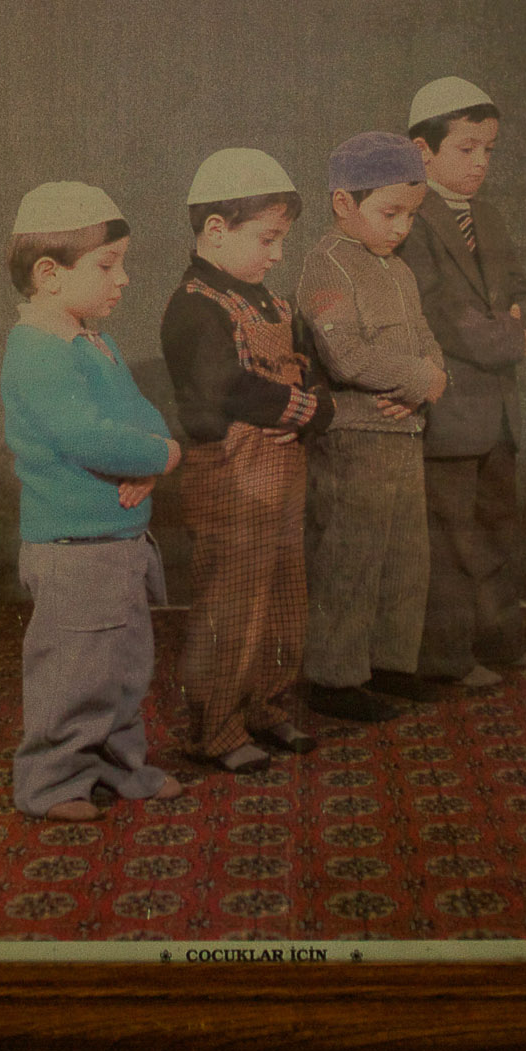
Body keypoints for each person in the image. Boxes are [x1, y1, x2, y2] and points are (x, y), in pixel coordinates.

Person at [0, 180, 186, 822]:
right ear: (49, 274)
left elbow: (142, 416)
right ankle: (50, 783)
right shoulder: (38, 350)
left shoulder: (91, 341)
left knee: (124, 667)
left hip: (117, 541)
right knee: (74, 672)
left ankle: (117, 766)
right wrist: (160, 456)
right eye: (108, 266)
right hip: (75, 548)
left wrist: (153, 458)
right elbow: (87, 436)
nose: (124, 279)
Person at [157, 147, 334, 773]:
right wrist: (305, 410)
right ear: (215, 231)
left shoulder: (273, 304)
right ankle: (214, 726)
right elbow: (223, 393)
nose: (277, 253)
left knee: (285, 594)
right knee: (232, 602)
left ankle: (265, 704)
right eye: (267, 238)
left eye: (281, 239)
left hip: (281, 477)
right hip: (230, 478)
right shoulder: (195, 307)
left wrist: (317, 405)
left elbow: (310, 373)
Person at [294, 132, 451, 723]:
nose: (401, 227)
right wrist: (421, 379)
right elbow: (348, 358)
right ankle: (335, 677)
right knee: (351, 559)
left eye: (410, 215)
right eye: (390, 213)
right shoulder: (325, 266)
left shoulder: (400, 272)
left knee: (406, 558)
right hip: (354, 439)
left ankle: (390, 663)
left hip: (405, 432)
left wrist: (432, 381)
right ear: (343, 204)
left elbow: (430, 348)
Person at [399, 76, 526, 682]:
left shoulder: (490, 216)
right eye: (467, 149)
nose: (481, 161)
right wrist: (516, 335)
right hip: (449, 408)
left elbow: (525, 292)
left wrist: (525, 319)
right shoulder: (410, 218)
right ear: (422, 151)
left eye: (489, 149)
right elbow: (445, 319)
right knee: (450, 539)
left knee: (495, 531)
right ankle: (448, 656)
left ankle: (498, 640)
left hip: (498, 410)